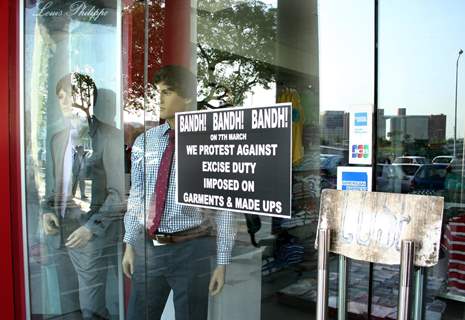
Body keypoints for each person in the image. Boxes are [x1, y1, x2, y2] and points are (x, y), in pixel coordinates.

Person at [122, 65, 236, 320]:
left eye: (167, 92)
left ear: (186, 97)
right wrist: (129, 242)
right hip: (150, 248)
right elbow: (137, 196)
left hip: (192, 250)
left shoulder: (211, 142)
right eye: (157, 92)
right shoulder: (146, 141)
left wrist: (222, 261)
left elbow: (224, 205)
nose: (159, 99)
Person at [41, 73, 125, 319]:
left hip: (90, 236)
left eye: (69, 95)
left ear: (87, 99)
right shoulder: (58, 139)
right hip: (59, 234)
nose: (63, 101)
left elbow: (118, 194)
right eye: (60, 96)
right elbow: (55, 188)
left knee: (91, 310)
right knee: (68, 305)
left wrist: (91, 228)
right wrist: (47, 211)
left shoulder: (110, 137)